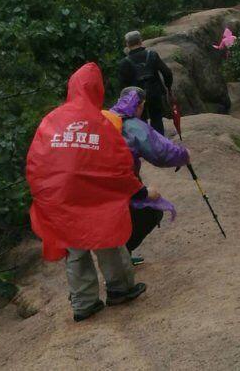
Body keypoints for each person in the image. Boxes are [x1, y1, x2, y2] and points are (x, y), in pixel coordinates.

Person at [26, 62, 156, 322]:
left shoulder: (52, 119)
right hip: (96, 198)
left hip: (61, 198)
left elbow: (36, 159)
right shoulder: (101, 121)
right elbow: (119, 163)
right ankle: (120, 289)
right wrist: (137, 191)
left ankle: (84, 304)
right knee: (107, 239)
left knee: (74, 250)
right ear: (97, 89)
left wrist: (42, 194)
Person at [105, 87, 190, 264]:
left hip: (99, 183)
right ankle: (122, 257)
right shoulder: (132, 125)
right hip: (122, 182)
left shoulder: (104, 117)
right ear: (140, 105)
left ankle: (121, 256)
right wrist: (183, 156)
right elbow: (160, 152)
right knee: (151, 209)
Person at [119, 30, 173, 135]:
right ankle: (159, 144)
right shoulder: (152, 55)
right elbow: (167, 72)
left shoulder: (124, 63)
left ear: (127, 44)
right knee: (157, 118)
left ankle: (146, 146)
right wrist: (168, 87)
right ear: (141, 41)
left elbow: (123, 85)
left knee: (141, 121)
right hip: (155, 92)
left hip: (137, 97)